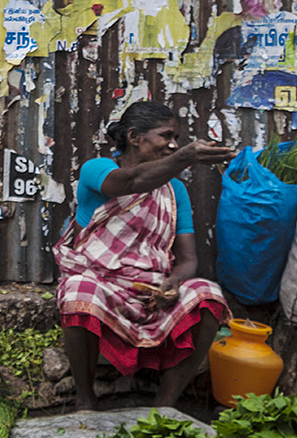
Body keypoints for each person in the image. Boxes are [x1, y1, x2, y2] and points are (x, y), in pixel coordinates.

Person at [53, 101, 235, 411]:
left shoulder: (175, 190)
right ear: (135, 137)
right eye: (167, 136)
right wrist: (185, 157)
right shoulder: (97, 170)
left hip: (151, 291)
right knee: (77, 291)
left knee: (208, 295)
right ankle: (85, 400)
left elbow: (188, 258)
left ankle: (164, 407)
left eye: (176, 139)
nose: (173, 145)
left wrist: (173, 283)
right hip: (102, 284)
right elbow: (131, 183)